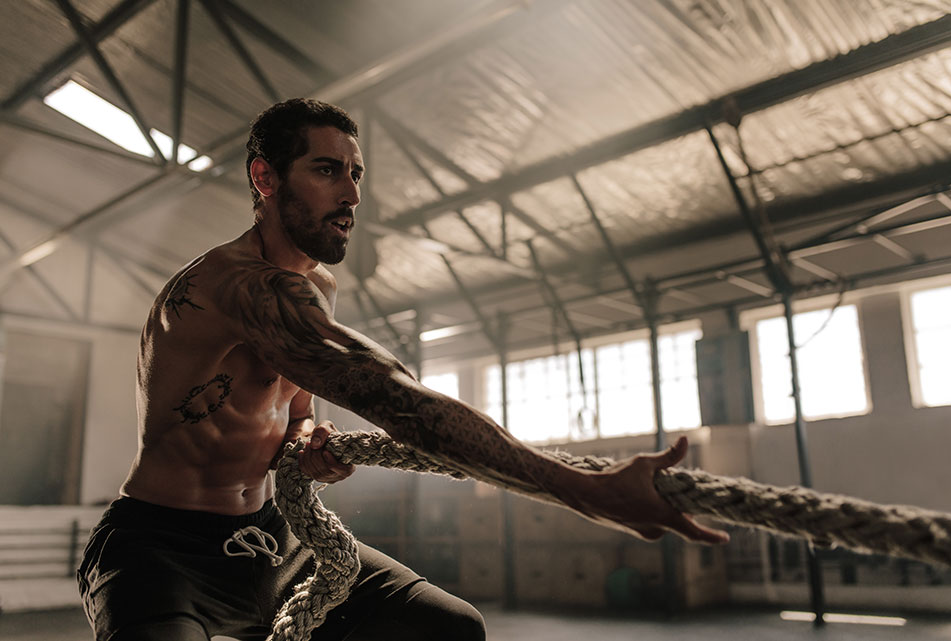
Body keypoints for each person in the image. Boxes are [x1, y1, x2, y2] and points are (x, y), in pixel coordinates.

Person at [77, 98, 729, 640]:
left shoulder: (317, 287)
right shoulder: (233, 287)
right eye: (328, 170)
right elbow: (393, 397)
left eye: (357, 173)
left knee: (450, 629)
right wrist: (584, 489)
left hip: (269, 536)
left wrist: (306, 447)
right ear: (266, 178)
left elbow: (296, 414)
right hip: (159, 548)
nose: (353, 193)